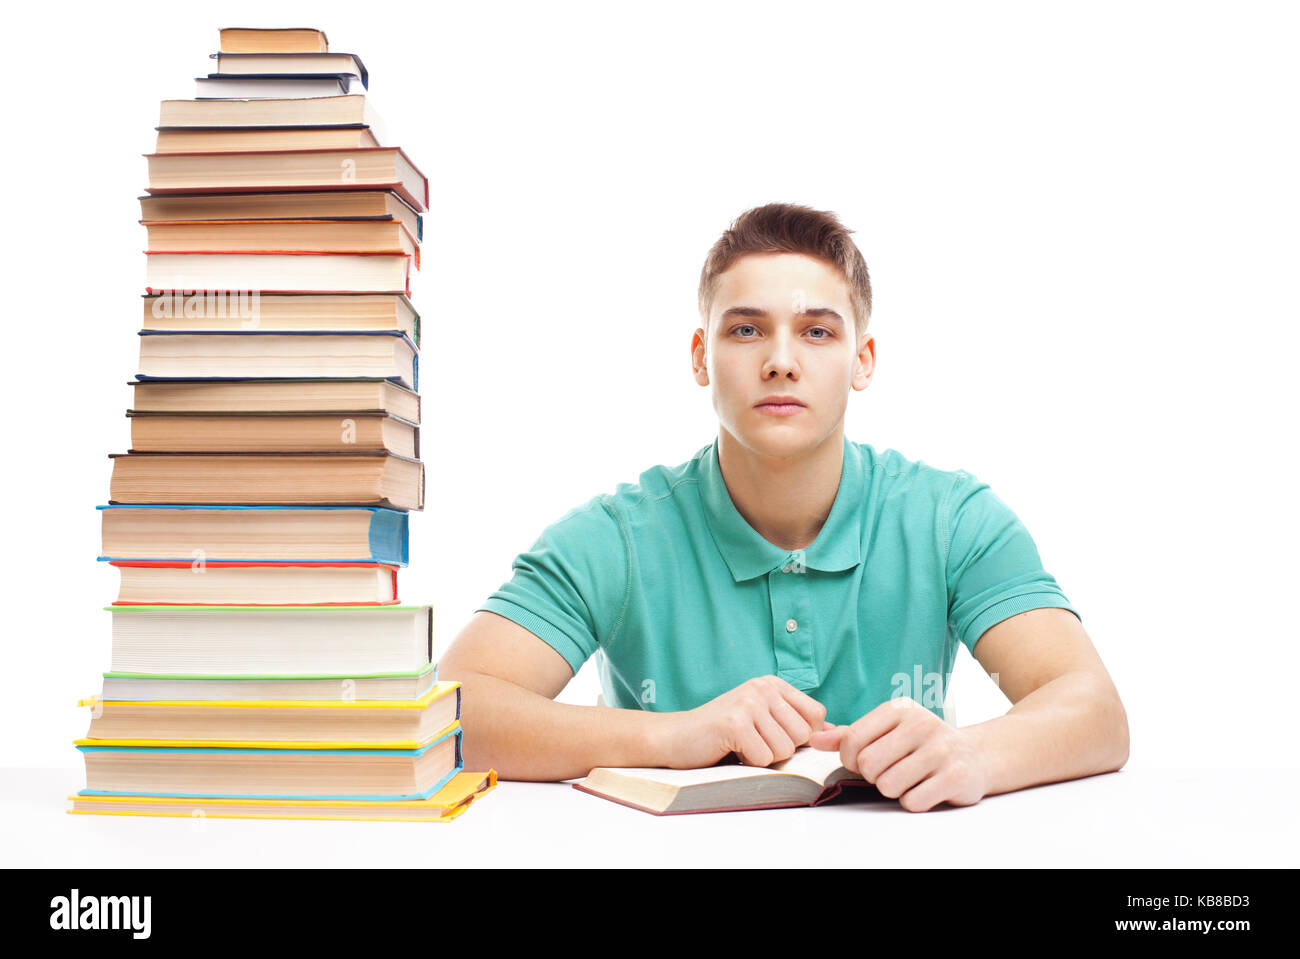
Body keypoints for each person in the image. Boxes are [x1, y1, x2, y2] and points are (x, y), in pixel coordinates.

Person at [438, 202, 1128, 812]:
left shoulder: (952, 519)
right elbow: (455, 708)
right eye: (745, 330)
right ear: (700, 356)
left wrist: (975, 755)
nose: (780, 361)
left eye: (817, 332)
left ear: (863, 358)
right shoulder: (616, 536)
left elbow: (1095, 709)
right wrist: (676, 735)